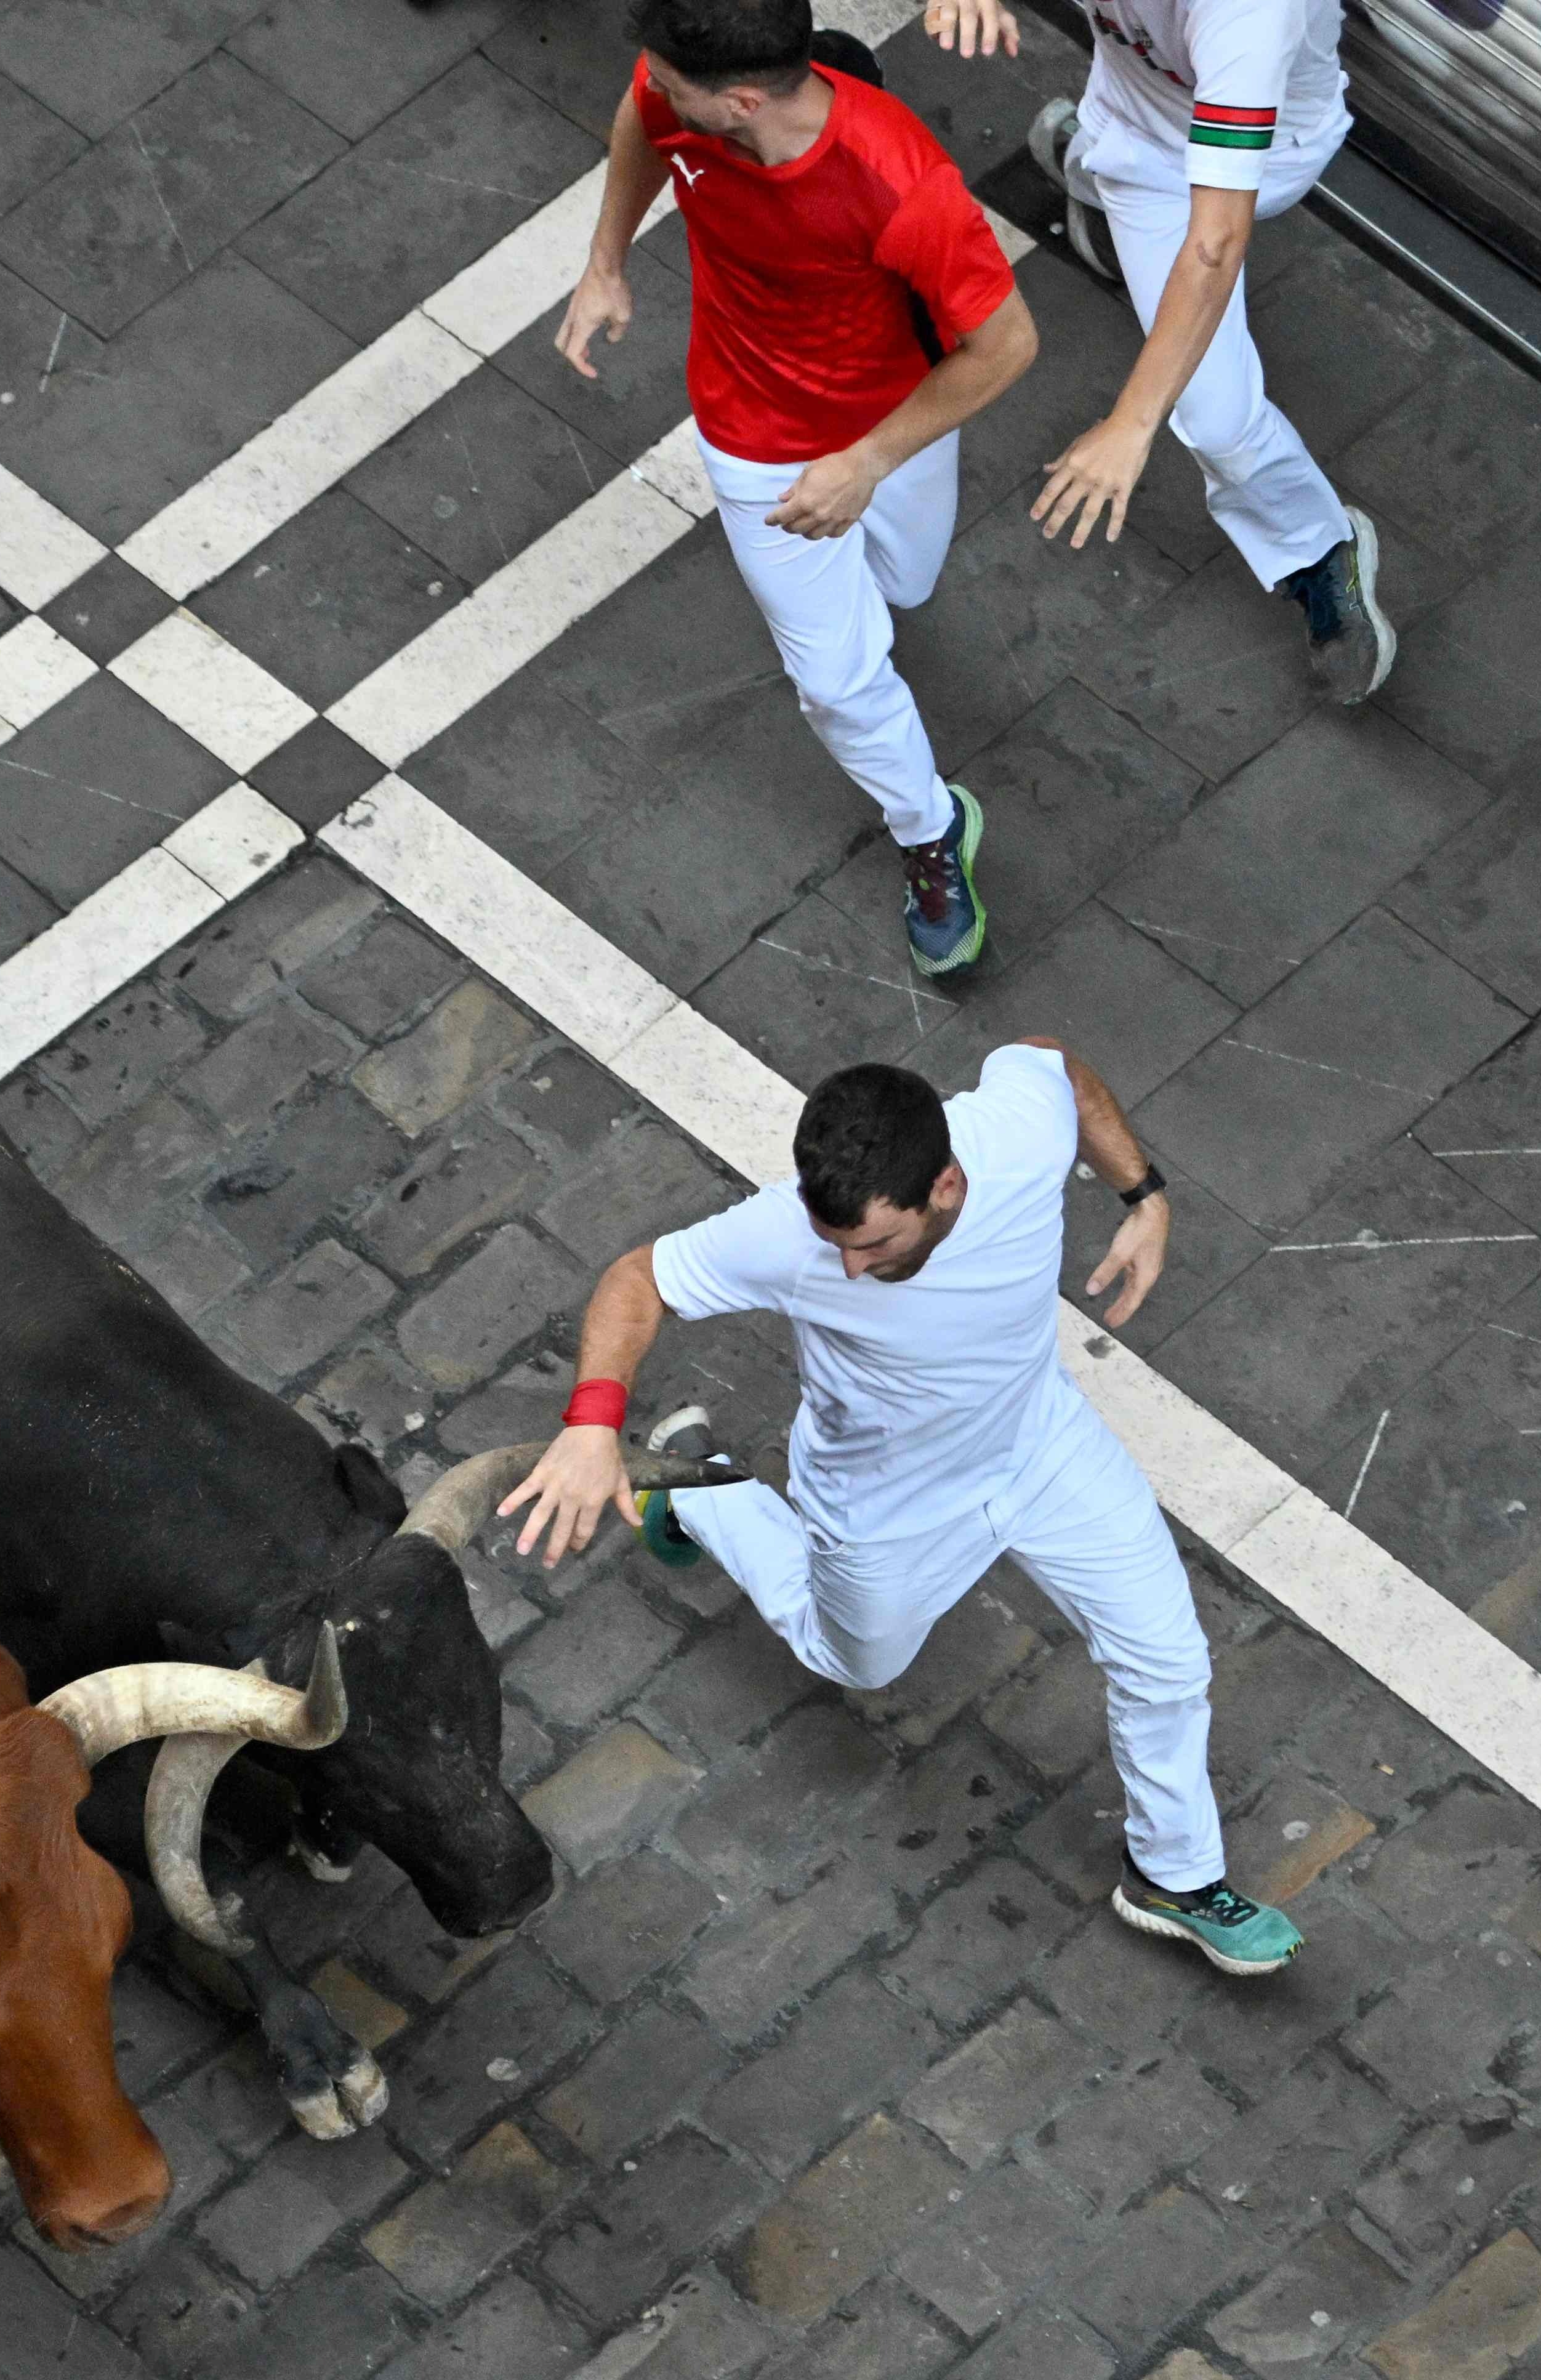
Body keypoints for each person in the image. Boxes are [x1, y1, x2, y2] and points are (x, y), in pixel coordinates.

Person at [496, 1043, 1303, 1975]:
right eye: (834, 1242)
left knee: (1167, 1659)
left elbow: (1060, 1068)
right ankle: (703, 1483)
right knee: (856, 1658)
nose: (845, 1270)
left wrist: (1146, 1196)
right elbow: (638, 1279)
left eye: (873, 1245)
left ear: (949, 1185)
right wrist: (594, 1425)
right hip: (884, 1503)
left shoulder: (1015, 1136)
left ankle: (1175, 1876)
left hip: (1040, 1445)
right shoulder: (788, 1239)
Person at [557, 0, 1040, 979]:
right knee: (837, 680)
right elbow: (638, 116)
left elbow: (1009, 344)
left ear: (740, 102)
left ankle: (875, 617)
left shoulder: (899, 182)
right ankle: (931, 828)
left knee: (906, 586)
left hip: (888, 430)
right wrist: (604, 263)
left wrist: (866, 462)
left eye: (673, 84)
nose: (653, 86)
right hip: (752, 441)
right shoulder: (675, 92)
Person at [924, 0, 1397, 700]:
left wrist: (1132, 423)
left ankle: (1319, 548)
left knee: (1214, 420)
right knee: (1108, 150)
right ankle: (1090, 169)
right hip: (1128, 113)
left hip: (1256, 158)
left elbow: (1214, 245)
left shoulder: (1249, 17)